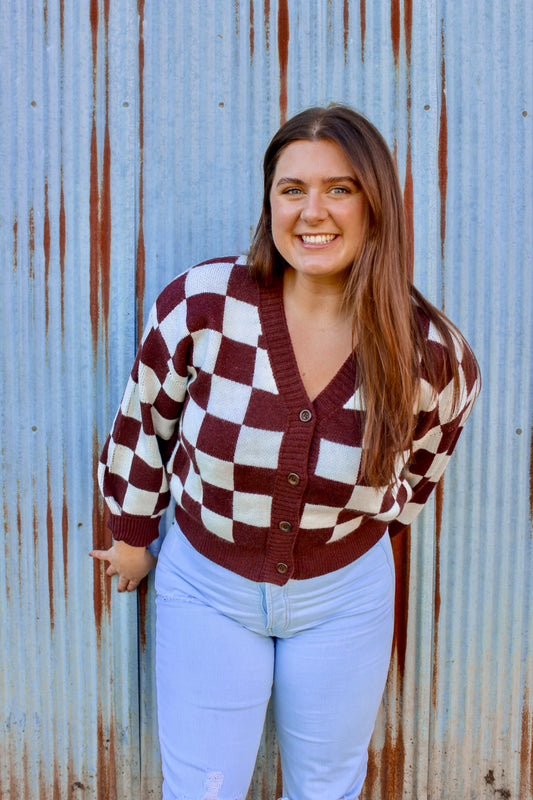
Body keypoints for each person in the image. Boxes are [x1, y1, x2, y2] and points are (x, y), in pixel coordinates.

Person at [91, 105, 480, 800]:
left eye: (339, 188)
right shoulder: (203, 305)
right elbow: (145, 423)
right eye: (291, 189)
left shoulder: (432, 353)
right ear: (268, 200)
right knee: (204, 787)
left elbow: (421, 470)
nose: (312, 212)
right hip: (207, 587)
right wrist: (131, 533)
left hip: (344, 599)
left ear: (375, 205)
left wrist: (345, 544)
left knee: (326, 786)